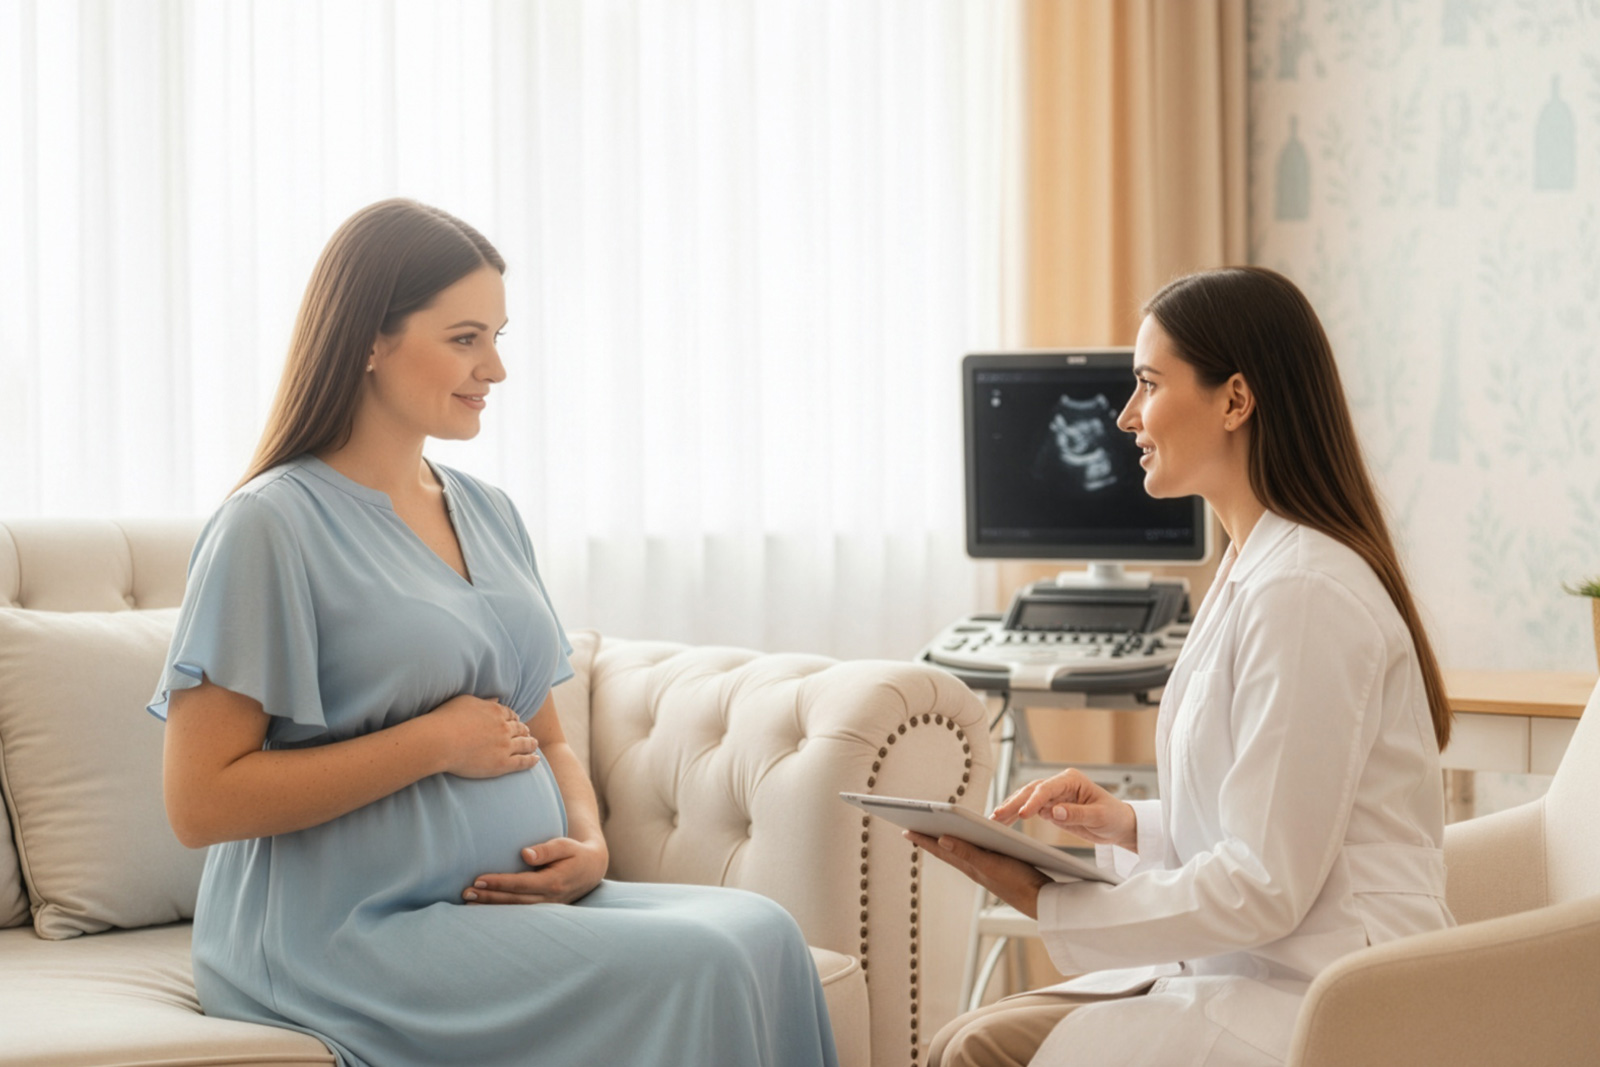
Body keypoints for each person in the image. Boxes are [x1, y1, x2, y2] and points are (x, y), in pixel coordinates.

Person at [149, 199, 838, 1067]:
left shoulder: (488, 510)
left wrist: (588, 842)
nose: (498, 368)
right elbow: (200, 801)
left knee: (765, 932)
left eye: (498, 336)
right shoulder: (270, 525)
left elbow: (545, 732)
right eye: (467, 338)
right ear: (370, 338)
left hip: (499, 905)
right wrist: (432, 741)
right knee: (698, 964)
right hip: (342, 930)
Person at [911, 266, 1454, 1067]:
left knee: (977, 1051)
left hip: (1329, 998)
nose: (1127, 415)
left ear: (1235, 400)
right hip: (1262, 969)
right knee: (961, 1038)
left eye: (1147, 384)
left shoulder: (1303, 589)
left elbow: (1265, 880)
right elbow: (1273, 817)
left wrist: (1046, 899)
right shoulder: (1254, 566)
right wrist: (1129, 822)